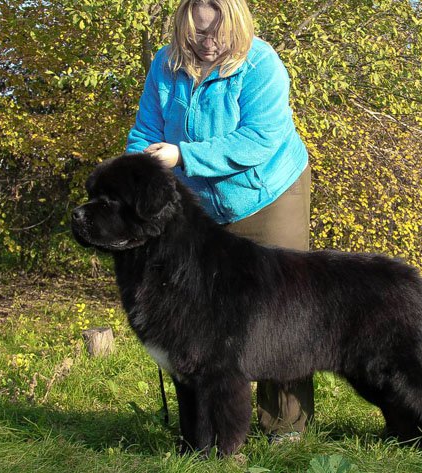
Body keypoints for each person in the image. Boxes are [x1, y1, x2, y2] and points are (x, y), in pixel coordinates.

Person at [125, 0, 313, 442]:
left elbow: (258, 139)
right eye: (197, 35)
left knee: (280, 307)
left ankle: (284, 426)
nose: (208, 44)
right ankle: (210, 427)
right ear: (182, 30)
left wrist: (183, 155)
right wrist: (138, 177)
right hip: (201, 203)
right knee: (203, 313)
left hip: (269, 189)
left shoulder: (262, 63)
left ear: (237, 26)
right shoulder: (164, 65)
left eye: (217, 33)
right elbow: (145, 132)